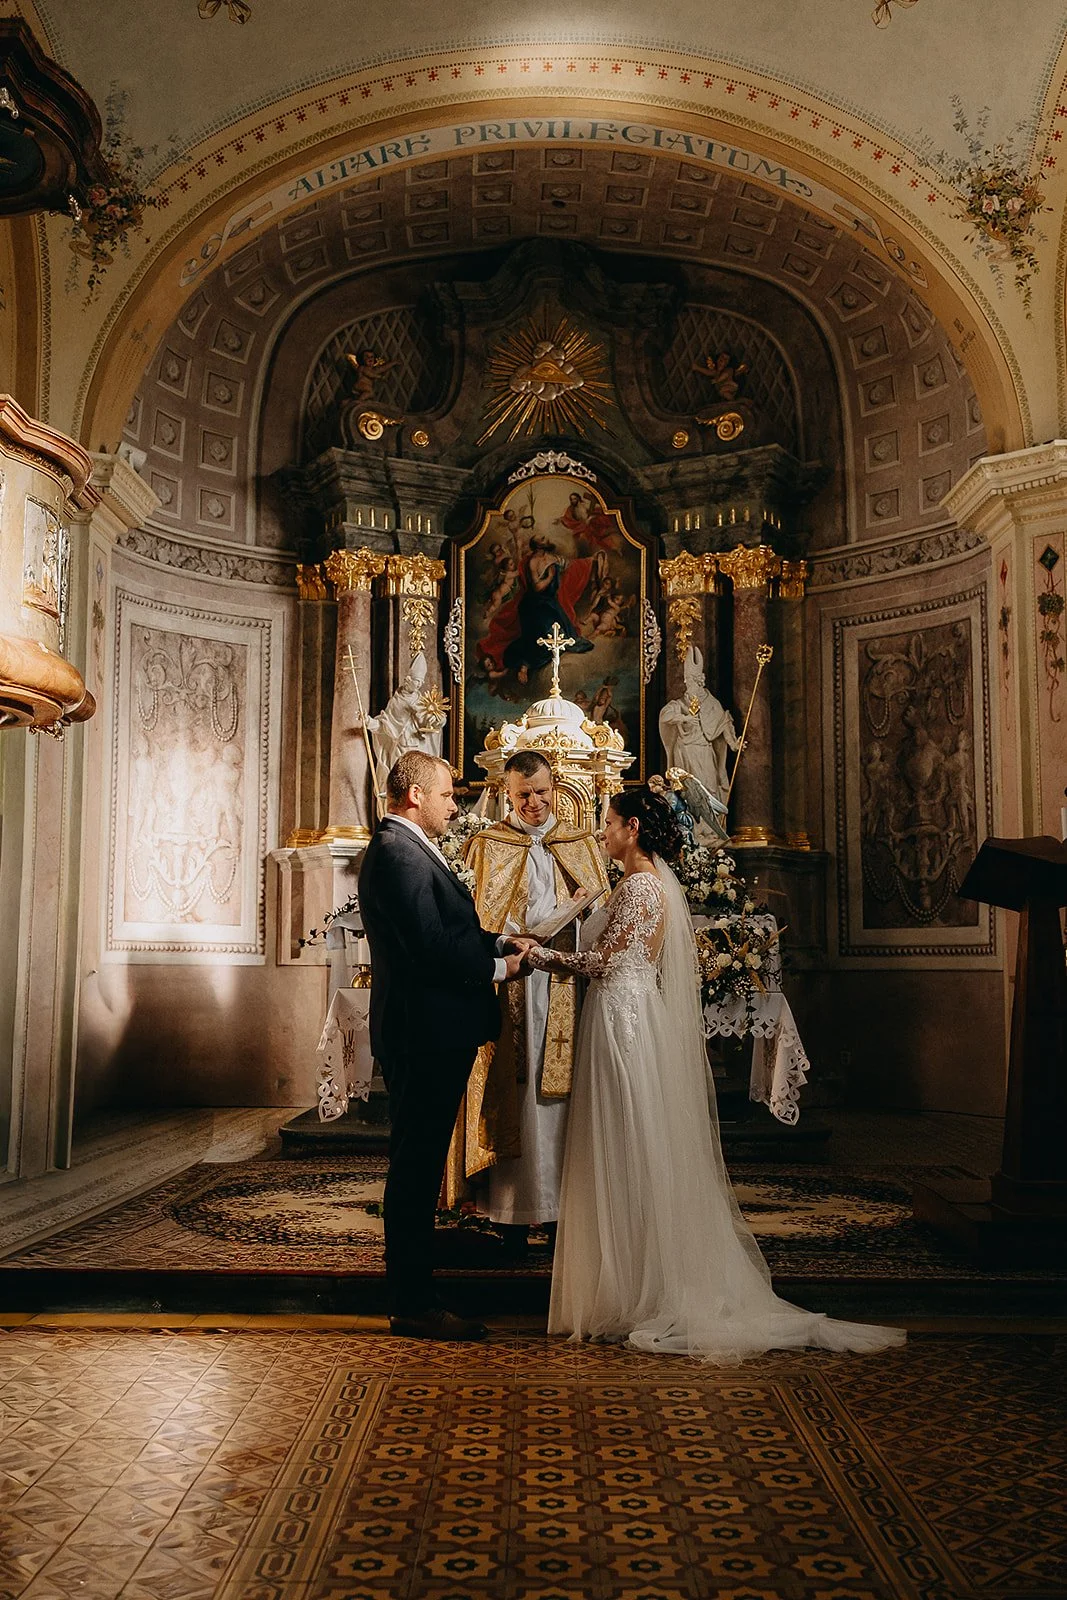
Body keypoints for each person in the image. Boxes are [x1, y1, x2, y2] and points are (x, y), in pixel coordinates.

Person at [525, 786, 905, 1361]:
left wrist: (539, 956)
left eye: (608, 822)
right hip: (623, 1012)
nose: (601, 832)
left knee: (626, 1139)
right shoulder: (640, 882)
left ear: (632, 827)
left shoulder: (641, 885)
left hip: (622, 1018)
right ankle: (630, 1278)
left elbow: (607, 962)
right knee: (628, 1141)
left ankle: (636, 1285)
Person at [358, 751, 535, 1340]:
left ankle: (418, 1290)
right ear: (415, 796)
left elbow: (452, 928)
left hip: (433, 1030)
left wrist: (501, 940)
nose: (453, 806)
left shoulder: (408, 848)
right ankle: (411, 1302)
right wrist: (500, 970)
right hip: (424, 1033)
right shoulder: (398, 853)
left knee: (420, 1163)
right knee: (415, 1169)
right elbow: (430, 948)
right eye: (446, 795)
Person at [447, 751, 609, 1255]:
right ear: (507, 793)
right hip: (510, 986)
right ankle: (511, 1211)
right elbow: (474, 919)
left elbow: (604, 918)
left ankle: (563, 1211)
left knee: (563, 1098)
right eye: (523, 794)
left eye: (541, 791)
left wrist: (574, 920)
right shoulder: (487, 845)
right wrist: (512, 937)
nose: (534, 803)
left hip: (566, 987)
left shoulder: (581, 843)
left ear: (554, 787)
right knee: (516, 1095)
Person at [658, 646, 740, 812]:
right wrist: (685, 717)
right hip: (684, 752)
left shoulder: (712, 704)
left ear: (698, 681)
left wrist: (733, 744)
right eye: (686, 680)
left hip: (704, 752)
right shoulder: (680, 704)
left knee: (709, 788)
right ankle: (690, 825)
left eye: (689, 680)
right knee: (686, 793)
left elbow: (723, 722)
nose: (686, 684)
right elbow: (665, 716)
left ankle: (708, 825)